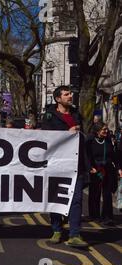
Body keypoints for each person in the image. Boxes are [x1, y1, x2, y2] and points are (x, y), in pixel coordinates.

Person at [42, 85, 89, 247]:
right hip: (57, 164)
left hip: (76, 165)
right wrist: (66, 134)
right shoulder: (49, 116)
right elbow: (45, 138)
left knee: (76, 200)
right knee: (56, 198)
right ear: (58, 99)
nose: (70, 96)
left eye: (70, 93)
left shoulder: (76, 114)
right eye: (66, 94)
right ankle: (56, 230)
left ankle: (75, 234)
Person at [85, 122, 121, 225]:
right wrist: (90, 167)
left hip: (108, 169)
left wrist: (118, 168)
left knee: (107, 193)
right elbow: (86, 156)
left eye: (106, 129)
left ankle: (107, 216)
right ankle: (94, 215)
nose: (106, 131)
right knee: (94, 193)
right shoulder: (90, 141)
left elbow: (113, 155)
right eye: (104, 129)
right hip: (96, 170)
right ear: (97, 131)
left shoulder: (108, 140)